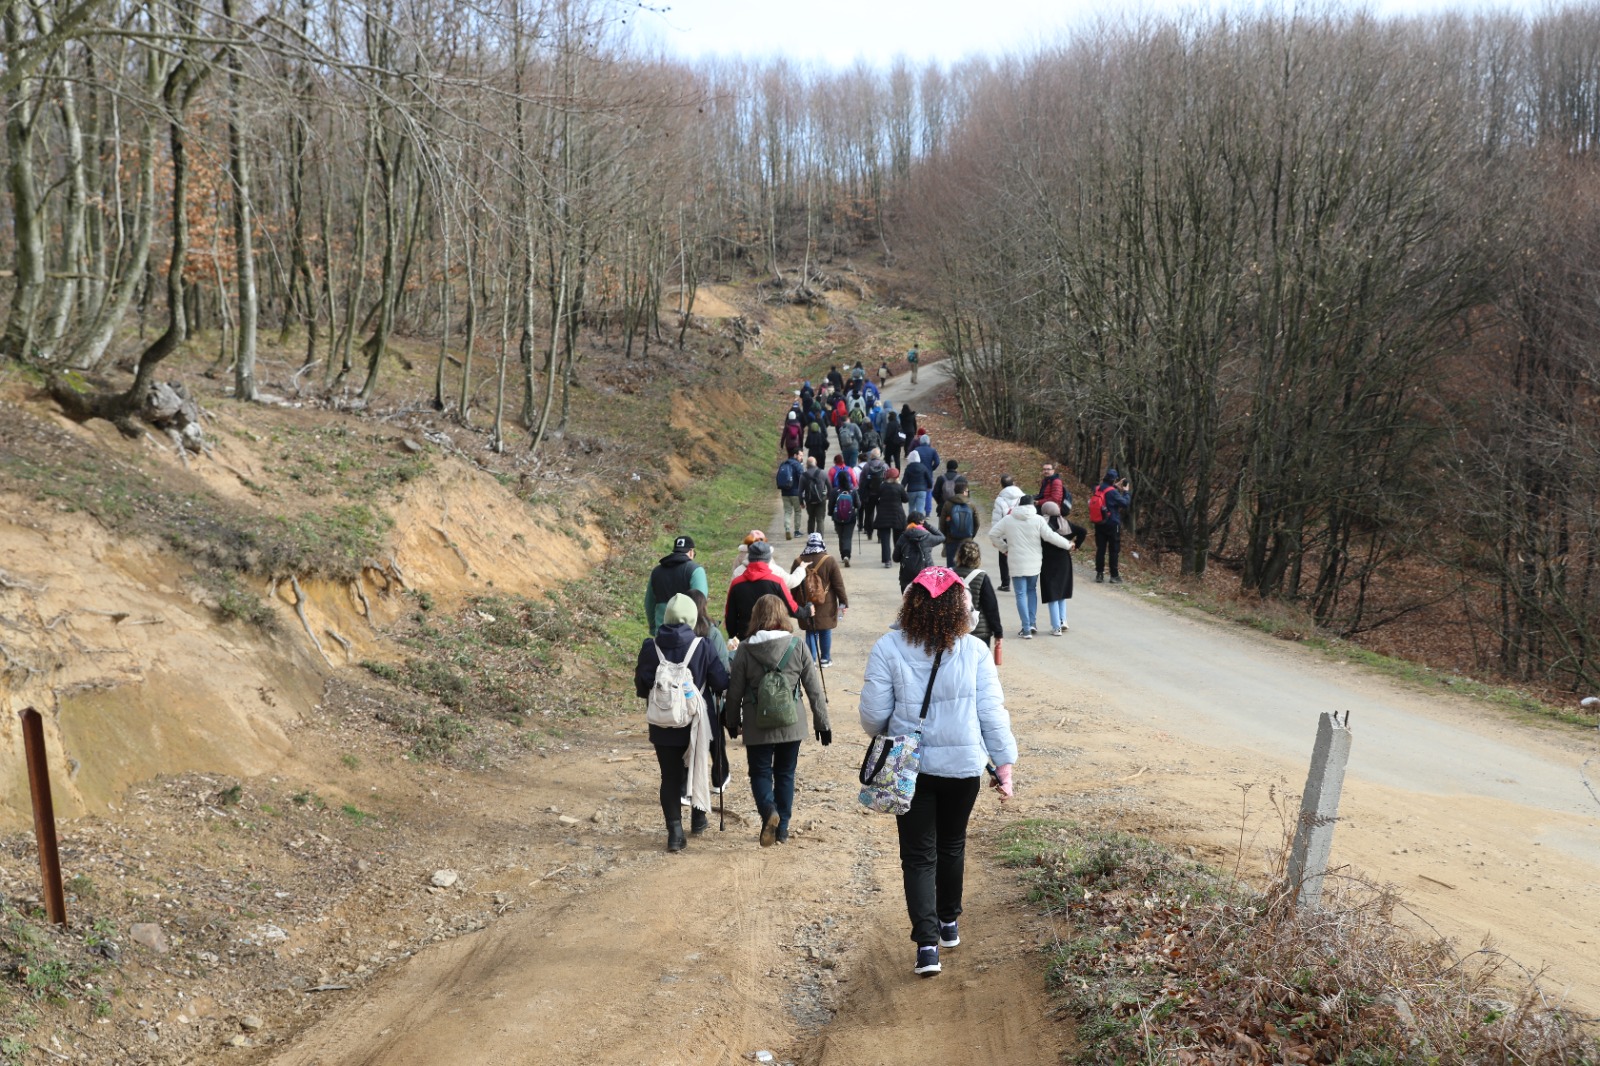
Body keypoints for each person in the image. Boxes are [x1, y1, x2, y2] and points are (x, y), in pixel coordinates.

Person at [858, 566, 1017, 976]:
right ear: (959, 607)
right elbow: (991, 714)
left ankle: (927, 947)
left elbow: (873, 718)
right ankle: (949, 922)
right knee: (951, 844)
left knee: (917, 856)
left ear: (910, 603)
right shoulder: (976, 651)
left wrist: (893, 727)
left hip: (911, 767)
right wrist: (1004, 765)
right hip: (963, 768)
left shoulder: (888, 647)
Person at [726, 594, 830, 846]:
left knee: (760, 772)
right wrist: (822, 724)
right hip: (791, 723)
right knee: (785, 773)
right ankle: (782, 828)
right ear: (783, 615)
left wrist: (731, 721)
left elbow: (735, 690)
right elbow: (814, 689)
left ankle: (768, 811)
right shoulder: (798, 646)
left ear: (756, 617)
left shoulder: (745, 649)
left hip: (756, 723)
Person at [634, 593, 729, 851]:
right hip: (695, 724)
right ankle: (698, 818)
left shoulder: (650, 647)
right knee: (697, 767)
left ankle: (674, 833)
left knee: (669, 776)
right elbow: (721, 682)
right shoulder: (703, 645)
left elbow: (642, 688)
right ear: (692, 617)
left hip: (662, 723)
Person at [988, 494, 1074, 639]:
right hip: (1034, 563)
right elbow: (1051, 536)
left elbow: (992, 534)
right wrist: (1068, 545)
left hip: (1016, 562)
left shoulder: (1008, 520)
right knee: (1031, 591)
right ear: (1032, 506)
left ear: (1019, 505)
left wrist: (1005, 548)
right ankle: (1033, 623)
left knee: (1020, 594)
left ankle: (1026, 628)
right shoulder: (1038, 519)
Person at [686, 589, 734, 795]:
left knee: (688, 744)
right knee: (716, 740)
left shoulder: (679, 633)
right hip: (709, 697)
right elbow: (722, 667)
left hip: (684, 698)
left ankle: (687, 786)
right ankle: (719, 778)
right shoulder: (712, 633)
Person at [725, 540, 799, 640]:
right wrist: (807, 611)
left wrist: (732, 636)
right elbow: (792, 609)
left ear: (750, 558)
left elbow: (730, 615)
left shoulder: (736, 583)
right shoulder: (777, 582)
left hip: (745, 638)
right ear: (768, 559)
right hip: (772, 637)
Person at [793, 532, 847, 667]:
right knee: (825, 629)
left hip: (805, 601)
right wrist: (843, 601)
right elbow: (838, 584)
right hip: (826, 602)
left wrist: (792, 604)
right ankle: (825, 659)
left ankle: (811, 660)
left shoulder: (798, 561)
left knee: (811, 631)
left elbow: (793, 584)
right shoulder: (829, 560)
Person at [1038, 501, 1085, 635]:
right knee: (1061, 591)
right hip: (1064, 560)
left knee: (1052, 593)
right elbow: (1083, 531)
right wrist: (1076, 544)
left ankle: (1056, 626)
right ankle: (1063, 620)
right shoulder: (1066, 523)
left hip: (1047, 560)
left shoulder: (1043, 524)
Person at [645, 535, 708, 630]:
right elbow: (700, 603)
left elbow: (649, 603)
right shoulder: (696, 571)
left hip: (662, 632)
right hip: (689, 634)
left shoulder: (656, 572)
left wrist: (654, 628)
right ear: (691, 552)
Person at [952, 540, 1003, 653]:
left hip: (953, 629)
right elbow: (991, 607)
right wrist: (998, 632)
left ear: (958, 556)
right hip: (979, 631)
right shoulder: (982, 577)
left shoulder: (949, 575)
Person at [1090, 468, 1132, 584]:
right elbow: (1124, 503)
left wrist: (1114, 486)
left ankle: (1099, 574)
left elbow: (1104, 492)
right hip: (1112, 523)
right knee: (1114, 550)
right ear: (1114, 480)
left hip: (1099, 523)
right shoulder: (1113, 492)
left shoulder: (1097, 489)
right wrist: (1126, 491)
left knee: (1101, 549)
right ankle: (1114, 576)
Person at [893, 511, 946, 592]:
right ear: (922, 523)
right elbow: (942, 537)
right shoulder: (927, 537)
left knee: (908, 603)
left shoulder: (903, 537)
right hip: (926, 576)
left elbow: (895, 558)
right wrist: (927, 526)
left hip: (907, 578)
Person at [989, 475, 1023, 592]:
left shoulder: (1000, 499)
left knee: (1004, 559)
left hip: (1005, 533)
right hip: (1020, 533)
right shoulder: (1023, 497)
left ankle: (1005, 584)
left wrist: (995, 537)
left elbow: (996, 518)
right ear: (1014, 483)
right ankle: (1021, 585)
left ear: (1001, 485)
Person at [873, 466, 910, 568]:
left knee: (885, 539)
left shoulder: (882, 486)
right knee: (898, 539)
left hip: (883, 516)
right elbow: (906, 499)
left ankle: (887, 560)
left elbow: (875, 498)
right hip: (897, 515)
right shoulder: (899, 487)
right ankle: (898, 557)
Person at [828, 458, 860, 565]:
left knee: (841, 536)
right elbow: (858, 505)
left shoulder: (834, 491)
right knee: (847, 536)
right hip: (850, 518)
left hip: (837, 517)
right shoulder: (853, 491)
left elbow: (831, 504)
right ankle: (847, 555)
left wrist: (830, 513)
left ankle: (843, 554)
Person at [938, 478, 976, 565]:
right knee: (967, 564)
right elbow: (976, 522)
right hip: (967, 539)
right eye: (967, 491)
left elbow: (942, 523)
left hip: (951, 539)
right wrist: (971, 535)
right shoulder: (970, 504)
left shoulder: (948, 504)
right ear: (964, 492)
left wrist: (945, 538)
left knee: (951, 567)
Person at [859, 448, 889, 542]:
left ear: (871, 456)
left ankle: (869, 533)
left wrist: (862, 493)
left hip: (869, 493)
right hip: (882, 494)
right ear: (879, 455)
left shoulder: (867, 466)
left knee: (869, 514)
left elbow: (862, 481)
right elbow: (888, 479)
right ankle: (880, 536)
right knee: (881, 514)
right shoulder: (884, 466)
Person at [777, 449, 805, 540]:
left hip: (785, 492)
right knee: (797, 511)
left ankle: (787, 529)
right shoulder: (798, 465)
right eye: (800, 455)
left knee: (787, 511)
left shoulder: (783, 464)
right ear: (795, 455)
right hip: (795, 493)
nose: (802, 458)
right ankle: (796, 531)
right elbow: (802, 479)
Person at [799, 456, 829, 535]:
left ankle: (811, 537)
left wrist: (801, 502)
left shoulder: (803, 475)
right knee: (820, 519)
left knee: (811, 518)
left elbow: (800, 491)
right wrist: (827, 497)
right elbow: (830, 486)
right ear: (816, 463)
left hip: (809, 500)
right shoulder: (823, 473)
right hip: (821, 499)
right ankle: (820, 538)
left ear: (807, 465)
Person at [902, 451, 933, 518]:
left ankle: (911, 523)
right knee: (920, 508)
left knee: (911, 508)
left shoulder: (908, 468)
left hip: (911, 490)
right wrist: (929, 486)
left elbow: (904, 481)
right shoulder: (923, 467)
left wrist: (901, 489)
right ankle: (919, 524)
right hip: (922, 490)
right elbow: (929, 479)